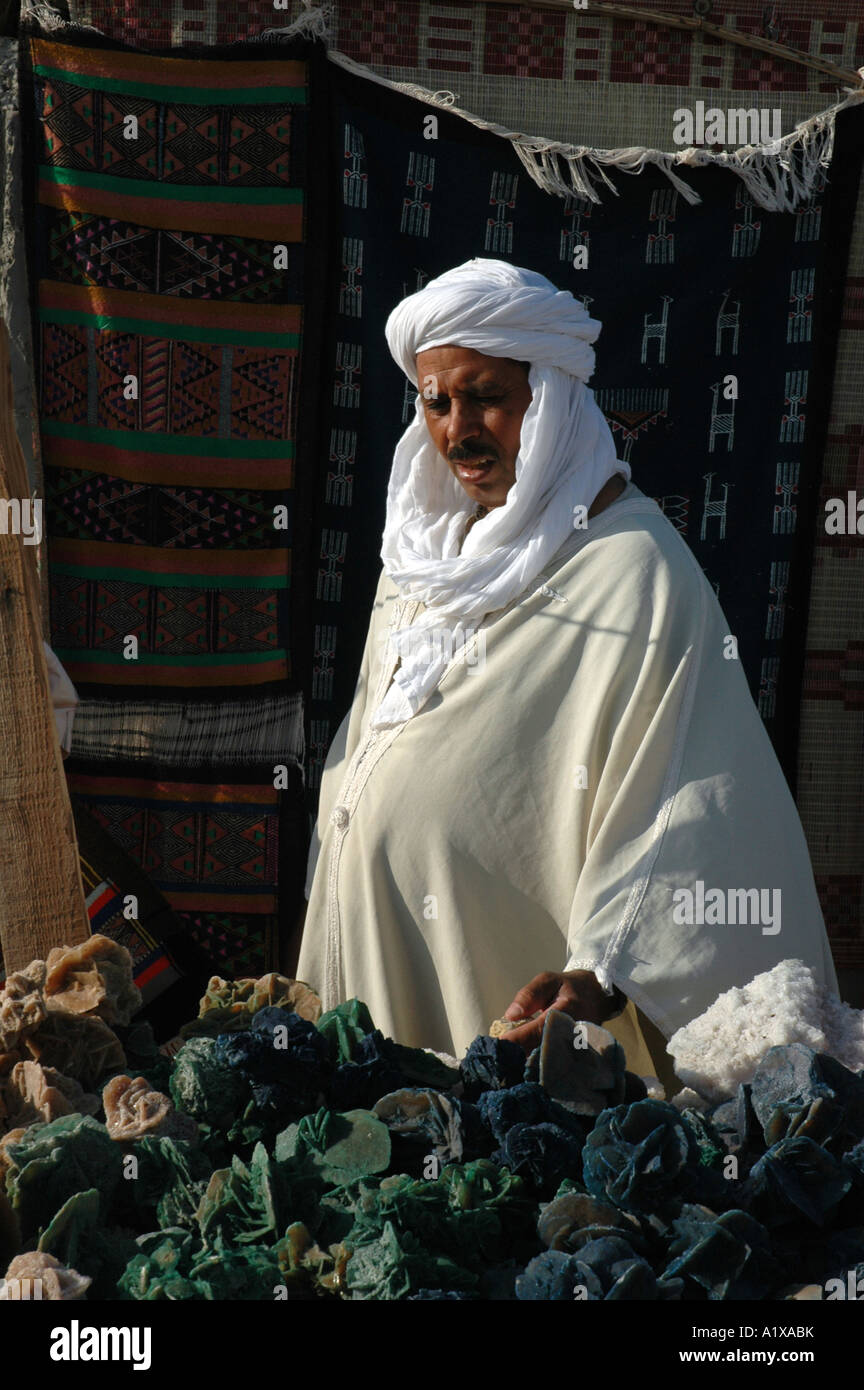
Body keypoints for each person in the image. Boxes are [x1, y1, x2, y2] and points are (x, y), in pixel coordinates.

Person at [294, 257, 836, 1086]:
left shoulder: (637, 571)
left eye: (486, 397)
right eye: (436, 402)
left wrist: (596, 977)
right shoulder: (420, 561)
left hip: (495, 975)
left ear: (547, 399)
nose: (458, 430)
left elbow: (686, 813)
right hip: (372, 955)